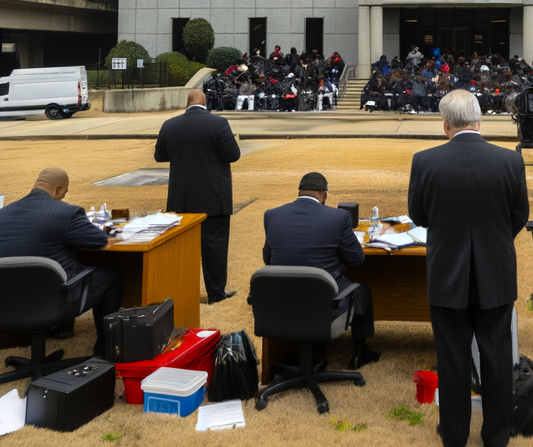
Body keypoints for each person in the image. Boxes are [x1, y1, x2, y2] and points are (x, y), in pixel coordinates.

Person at [407, 89, 529, 447]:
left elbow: (418, 216)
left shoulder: (425, 161)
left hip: (446, 271)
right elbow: (518, 216)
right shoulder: (510, 161)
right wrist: (494, 240)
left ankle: (455, 435)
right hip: (497, 269)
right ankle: (496, 437)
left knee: (452, 356)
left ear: (446, 125)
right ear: (479, 121)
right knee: (497, 355)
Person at [0, 168, 123, 357]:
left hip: (6, 302)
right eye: (64, 193)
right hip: (52, 301)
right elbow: (99, 240)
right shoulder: (66, 212)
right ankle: (105, 350)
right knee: (111, 277)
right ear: (58, 189)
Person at [262, 172, 379, 369]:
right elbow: (357, 259)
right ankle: (360, 353)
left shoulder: (272, 215)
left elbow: (268, 259)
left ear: (299, 191)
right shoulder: (339, 217)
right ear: (324, 194)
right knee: (363, 290)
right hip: (324, 304)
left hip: (280, 304)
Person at [155, 89, 241, 304]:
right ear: (205, 101)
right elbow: (233, 154)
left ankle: (182, 292)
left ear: (188, 103)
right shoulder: (218, 123)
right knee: (215, 248)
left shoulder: (170, 124)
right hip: (213, 196)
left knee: (182, 250)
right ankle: (216, 293)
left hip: (181, 198)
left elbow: (160, 155)